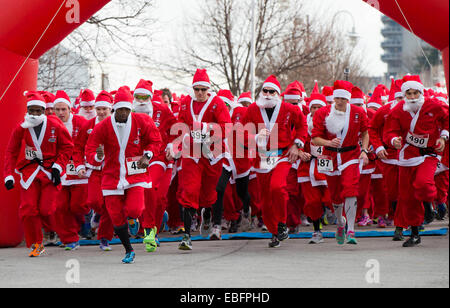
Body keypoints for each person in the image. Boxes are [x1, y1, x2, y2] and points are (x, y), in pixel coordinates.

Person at [85, 86, 163, 263]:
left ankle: (133, 219)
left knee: (135, 209)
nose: (123, 113)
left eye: (126, 110)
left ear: (130, 109)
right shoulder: (103, 126)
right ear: (114, 109)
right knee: (115, 216)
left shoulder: (141, 121)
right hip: (112, 175)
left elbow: (155, 140)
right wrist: (97, 157)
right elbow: (91, 147)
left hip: (135, 173)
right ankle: (129, 250)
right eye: (119, 110)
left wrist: (148, 155)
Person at [166, 69, 231, 250]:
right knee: (189, 191)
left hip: (212, 155)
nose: (200, 93)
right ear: (193, 89)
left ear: (208, 89)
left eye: (203, 89)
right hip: (192, 153)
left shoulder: (217, 103)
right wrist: (175, 146)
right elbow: (180, 126)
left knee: (209, 195)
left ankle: (207, 212)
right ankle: (187, 236)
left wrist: (207, 131)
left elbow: (226, 127)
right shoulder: (186, 103)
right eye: (197, 89)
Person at [3, 91, 73, 257]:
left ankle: (55, 231)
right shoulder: (21, 127)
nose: (34, 114)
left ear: (44, 111)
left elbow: (68, 146)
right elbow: (11, 151)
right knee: (28, 209)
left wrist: (58, 166)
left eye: (38, 111)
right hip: (30, 172)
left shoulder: (55, 125)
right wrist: (9, 174)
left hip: (50, 172)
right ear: (27, 111)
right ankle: (37, 243)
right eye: (31, 111)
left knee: (46, 209)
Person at [242, 75, 308, 248]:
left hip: (282, 155)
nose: (268, 94)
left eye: (272, 91)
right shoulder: (252, 110)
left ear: (278, 94)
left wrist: (297, 145)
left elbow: (302, 126)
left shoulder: (289, 109)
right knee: (265, 199)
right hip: (262, 157)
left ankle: (282, 223)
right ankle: (274, 232)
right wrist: (255, 137)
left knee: (277, 187)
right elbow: (240, 132)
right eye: (265, 91)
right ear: (261, 92)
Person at [384, 75, 449, 247]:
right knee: (407, 197)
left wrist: (443, 137)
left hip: (429, 154)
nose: (412, 97)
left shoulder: (434, 105)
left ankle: (429, 206)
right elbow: (389, 131)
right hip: (407, 156)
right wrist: (393, 140)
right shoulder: (398, 110)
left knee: (423, 183)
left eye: (415, 93)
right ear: (404, 95)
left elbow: (447, 119)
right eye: (409, 94)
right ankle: (414, 233)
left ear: (421, 92)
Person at [312, 80, 370, 246]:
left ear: (348, 99)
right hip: (330, 157)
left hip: (351, 156)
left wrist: (364, 151)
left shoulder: (358, 112)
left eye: (342, 99)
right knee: (335, 195)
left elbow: (365, 133)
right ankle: (340, 222)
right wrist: (328, 143)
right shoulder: (322, 113)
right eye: (336, 98)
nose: (338, 102)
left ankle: (351, 230)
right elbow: (315, 138)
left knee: (351, 189)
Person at [132, 80, 177, 252]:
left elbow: (177, 129)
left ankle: (152, 229)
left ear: (150, 97)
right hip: (135, 159)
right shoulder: (127, 111)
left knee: (158, 195)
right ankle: (146, 228)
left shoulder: (162, 110)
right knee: (144, 191)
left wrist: (172, 146)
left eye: (145, 97)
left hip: (159, 156)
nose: (142, 100)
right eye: (138, 96)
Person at [73, 90, 115, 251]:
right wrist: (79, 165)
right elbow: (77, 147)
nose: (101, 112)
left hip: (113, 171)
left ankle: (104, 238)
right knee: (94, 201)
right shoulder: (88, 126)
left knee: (111, 205)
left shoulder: (117, 124)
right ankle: (97, 214)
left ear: (110, 109)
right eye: (98, 109)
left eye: (104, 109)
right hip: (95, 170)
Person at [52, 90, 88, 250]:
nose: (60, 113)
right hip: (60, 170)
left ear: (70, 109)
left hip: (79, 170)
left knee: (78, 206)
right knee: (60, 206)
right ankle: (70, 238)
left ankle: (83, 222)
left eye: (63, 109)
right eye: (57, 110)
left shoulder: (81, 122)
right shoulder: (50, 123)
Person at [369, 78, 404, 240]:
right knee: (391, 190)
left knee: (411, 188)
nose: (402, 100)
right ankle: (394, 216)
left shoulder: (419, 110)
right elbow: (372, 129)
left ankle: (409, 220)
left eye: (406, 96)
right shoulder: (384, 111)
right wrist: (378, 147)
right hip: (389, 156)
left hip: (412, 156)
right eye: (399, 97)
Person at [298, 93, 332, 243]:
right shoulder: (303, 125)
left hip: (327, 166)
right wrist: (300, 153)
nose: (316, 110)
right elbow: (295, 143)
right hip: (308, 168)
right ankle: (317, 231)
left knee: (331, 198)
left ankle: (342, 223)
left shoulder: (332, 125)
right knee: (312, 202)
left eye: (320, 107)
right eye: (313, 107)